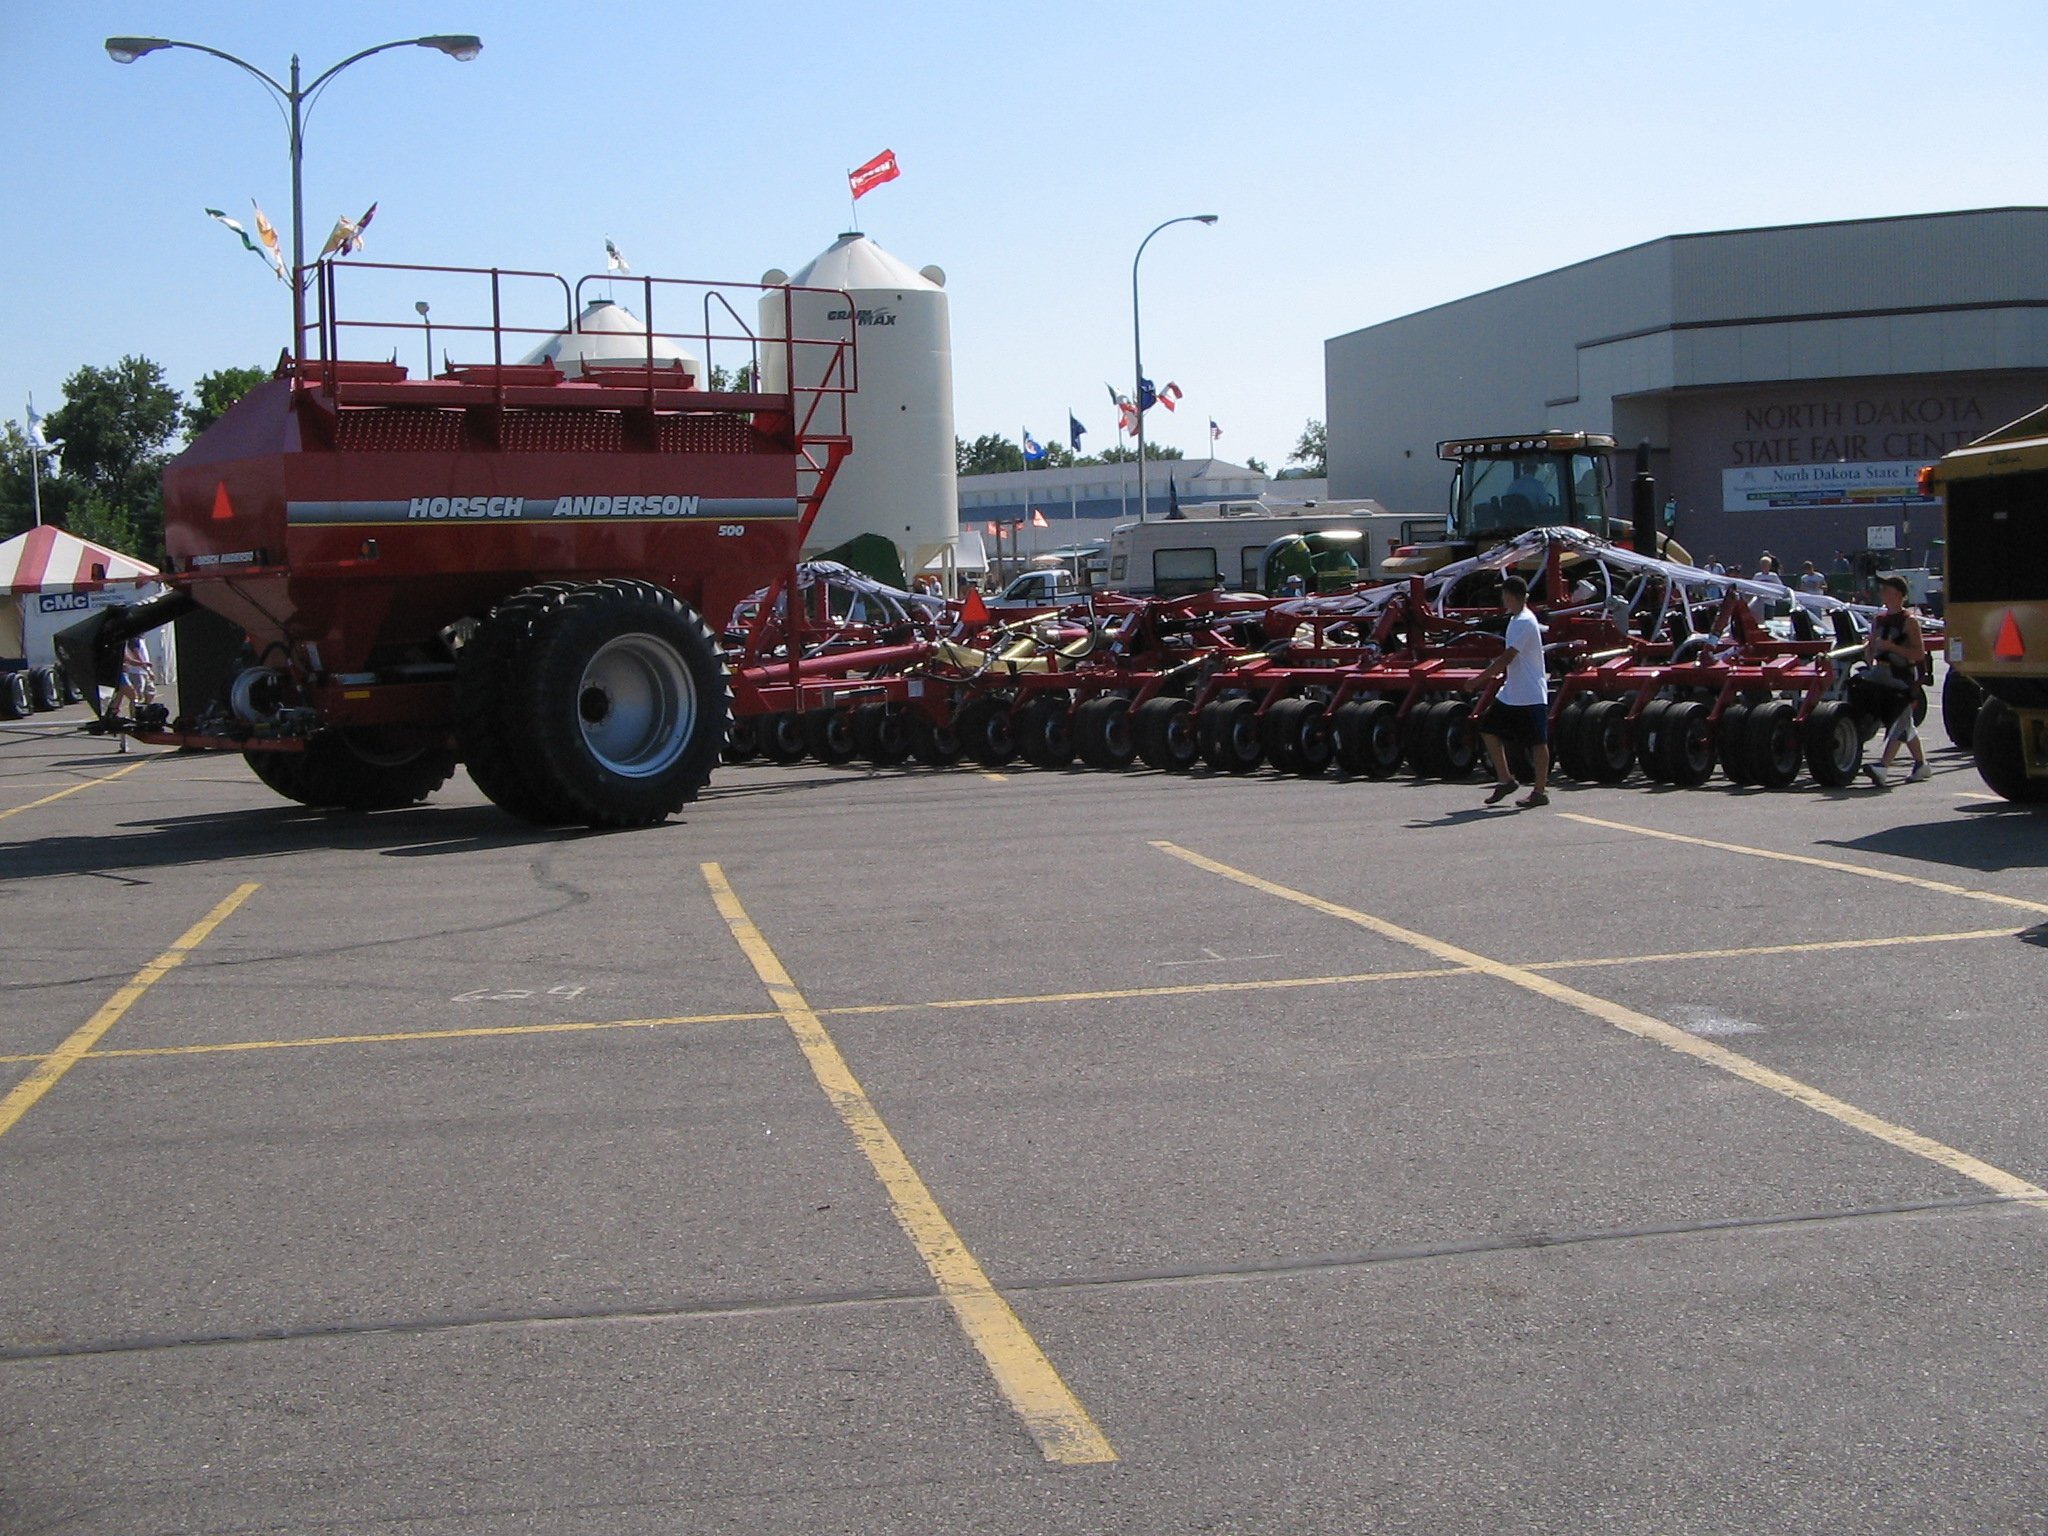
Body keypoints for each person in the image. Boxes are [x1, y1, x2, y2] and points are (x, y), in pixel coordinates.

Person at [1475, 574, 1550, 809]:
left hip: (1529, 693)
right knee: (1487, 729)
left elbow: (1508, 657)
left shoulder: (1525, 621)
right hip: (1512, 693)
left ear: (1511, 595)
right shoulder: (1515, 619)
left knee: (1538, 742)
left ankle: (1539, 792)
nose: (1502, 598)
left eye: (1504, 594)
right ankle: (1505, 779)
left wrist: (1479, 679)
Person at [1862, 574, 1930, 787]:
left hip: (1901, 677)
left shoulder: (1909, 621)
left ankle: (1883, 766)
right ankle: (1921, 764)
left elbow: (1918, 654)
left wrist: (1892, 647)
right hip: (1880, 674)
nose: (1883, 594)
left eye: (1887, 590)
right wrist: (1869, 648)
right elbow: (1872, 649)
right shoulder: (1879, 620)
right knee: (1904, 722)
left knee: (1900, 719)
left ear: (1899, 595)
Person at [1748, 554, 1787, 622]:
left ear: (1769, 566)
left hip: (1770, 602)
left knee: (1769, 621)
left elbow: (1780, 587)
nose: (1765, 566)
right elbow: (1752, 588)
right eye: (1763, 565)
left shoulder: (1774, 576)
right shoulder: (1757, 576)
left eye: (1766, 565)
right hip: (1759, 603)